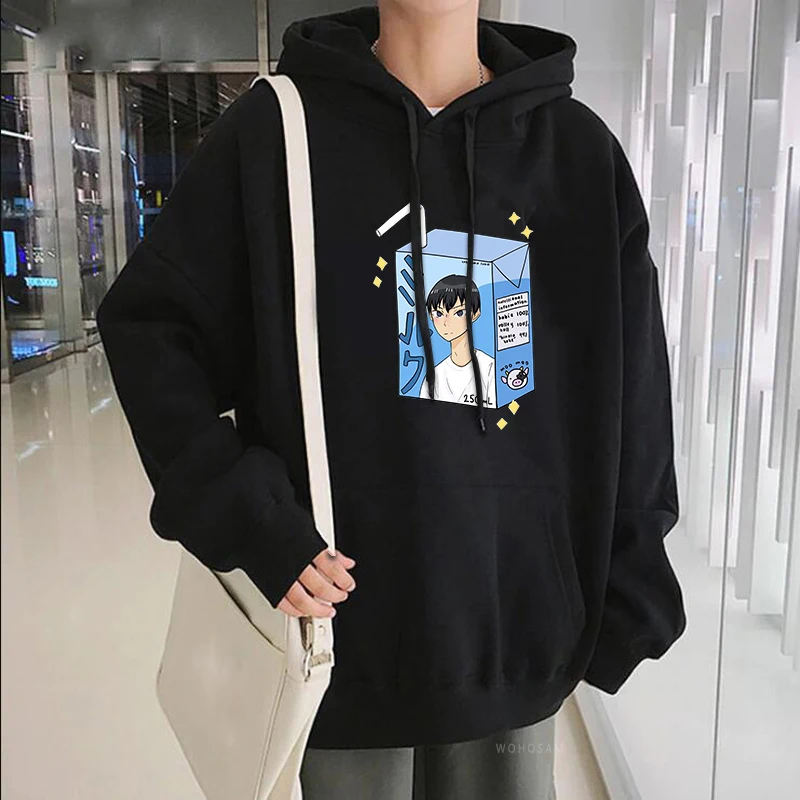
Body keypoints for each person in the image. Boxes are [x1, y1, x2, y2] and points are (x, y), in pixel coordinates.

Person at [96, 1, 687, 798]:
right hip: (342, 635)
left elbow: (636, 382)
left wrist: (630, 583)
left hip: (514, 635)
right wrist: (248, 517)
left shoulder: (576, 154)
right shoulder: (276, 133)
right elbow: (152, 329)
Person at [419, 274, 497, 408]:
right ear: (430, 315)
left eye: (459, 313)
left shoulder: (490, 369)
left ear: (475, 313)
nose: (446, 323)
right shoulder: (434, 375)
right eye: (439, 314)